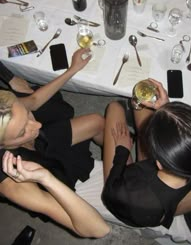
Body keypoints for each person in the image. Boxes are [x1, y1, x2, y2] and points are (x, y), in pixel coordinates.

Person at [73, 79, 191, 244]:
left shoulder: (133, 196)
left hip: (128, 181)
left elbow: (110, 190)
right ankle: (138, 110)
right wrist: (167, 110)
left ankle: (125, 117)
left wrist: (123, 150)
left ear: (156, 161)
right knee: (138, 105)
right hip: (171, 191)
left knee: (114, 107)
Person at [0, 48, 110, 238]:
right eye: (22, 131)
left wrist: (72, 69)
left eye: (27, 116)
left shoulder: (7, 109)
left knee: (97, 122)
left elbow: (33, 101)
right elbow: (98, 230)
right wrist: (45, 178)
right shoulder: (9, 182)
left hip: (43, 146)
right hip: (40, 174)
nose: (37, 125)